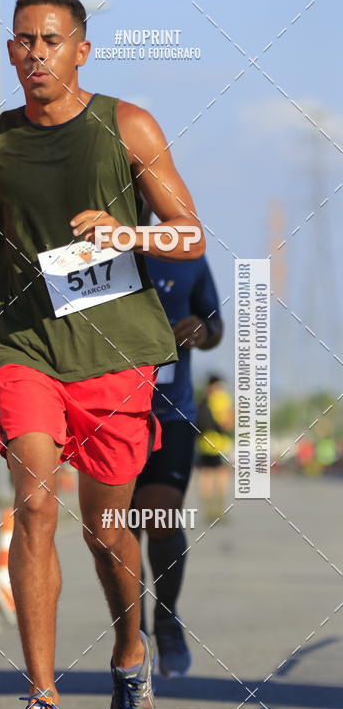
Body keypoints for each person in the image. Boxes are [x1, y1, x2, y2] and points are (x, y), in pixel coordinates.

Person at [0, 0, 205, 709]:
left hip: (113, 352)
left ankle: (128, 651)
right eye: (22, 40)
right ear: (10, 51)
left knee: (107, 531)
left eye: (50, 39)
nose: (35, 53)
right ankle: (40, 699)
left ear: (81, 48)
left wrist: (125, 231)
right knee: (36, 501)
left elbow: (191, 235)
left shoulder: (126, 126)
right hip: (24, 343)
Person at [130, 229, 223, 678]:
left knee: (161, 515)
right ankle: (131, 638)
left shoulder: (186, 252)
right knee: (119, 529)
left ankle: (166, 620)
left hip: (171, 413)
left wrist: (202, 331)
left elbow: (215, 324)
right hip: (107, 415)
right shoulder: (89, 253)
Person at [196, 374, 234, 522]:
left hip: (204, 443)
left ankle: (208, 511)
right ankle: (219, 511)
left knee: (205, 476)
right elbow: (226, 423)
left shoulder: (204, 399)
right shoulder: (222, 398)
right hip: (220, 444)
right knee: (221, 476)